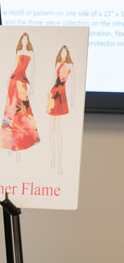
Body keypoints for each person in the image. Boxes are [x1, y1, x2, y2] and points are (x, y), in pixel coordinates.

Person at [0, 32, 40, 160]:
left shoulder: (31, 53)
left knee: (21, 112)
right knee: (9, 111)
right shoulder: (18, 51)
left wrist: (33, 85)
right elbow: (14, 66)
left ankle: (20, 142)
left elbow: (33, 69)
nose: (25, 41)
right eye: (23, 39)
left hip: (22, 82)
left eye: (27, 39)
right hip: (13, 81)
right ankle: (9, 142)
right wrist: (6, 79)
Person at [46, 44, 75, 174]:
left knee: (57, 129)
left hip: (61, 95)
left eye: (65, 52)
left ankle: (60, 160)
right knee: (51, 129)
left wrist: (73, 98)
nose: (63, 54)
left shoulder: (70, 66)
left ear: (67, 53)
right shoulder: (58, 64)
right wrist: (47, 92)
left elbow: (73, 82)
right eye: (61, 52)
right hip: (54, 94)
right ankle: (52, 157)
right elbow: (53, 78)